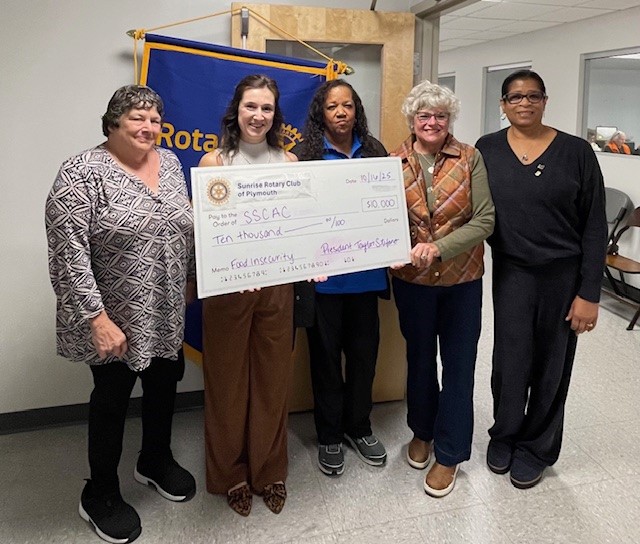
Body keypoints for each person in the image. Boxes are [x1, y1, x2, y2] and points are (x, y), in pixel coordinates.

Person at [45, 85, 196, 544]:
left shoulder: (170, 163)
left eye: (155, 119)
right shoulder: (81, 172)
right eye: (137, 118)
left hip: (166, 308)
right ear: (112, 123)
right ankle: (101, 494)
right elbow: (68, 253)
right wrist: (96, 319)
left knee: (164, 385)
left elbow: (185, 227)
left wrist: (190, 278)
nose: (148, 127)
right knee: (111, 401)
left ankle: (154, 460)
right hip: (114, 317)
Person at [475, 69, 607, 489]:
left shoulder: (576, 152)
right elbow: (473, 208)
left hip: (563, 276)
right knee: (510, 362)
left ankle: (536, 447)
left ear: (545, 101)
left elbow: (595, 226)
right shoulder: (487, 148)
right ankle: (505, 435)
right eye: (515, 97)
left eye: (533, 96)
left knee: (552, 364)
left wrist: (589, 293)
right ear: (503, 105)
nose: (525, 103)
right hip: (512, 272)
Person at [390, 81, 495, 498]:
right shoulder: (392, 162)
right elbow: (381, 218)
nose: (432, 122)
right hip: (412, 283)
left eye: (440, 116)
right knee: (418, 361)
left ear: (449, 120)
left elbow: (485, 220)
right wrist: (388, 249)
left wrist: (438, 248)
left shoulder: (470, 157)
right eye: (424, 115)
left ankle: (450, 453)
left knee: (458, 366)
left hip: (462, 282)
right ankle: (422, 431)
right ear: (412, 119)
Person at [199, 74, 297, 516]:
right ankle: (230, 475)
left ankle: (269, 470)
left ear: (276, 115)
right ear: (236, 111)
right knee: (227, 383)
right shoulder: (214, 163)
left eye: (267, 108)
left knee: (273, 380)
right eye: (251, 107)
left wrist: (312, 259)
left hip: (277, 286)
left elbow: (298, 225)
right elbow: (207, 232)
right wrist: (236, 266)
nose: (258, 116)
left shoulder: (289, 162)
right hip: (228, 288)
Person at [294, 80, 389, 477]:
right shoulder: (304, 154)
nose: (341, 112)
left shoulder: (375, 151)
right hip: (324, 283)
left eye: (347, 105)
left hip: (366, 280)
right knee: (326, 363)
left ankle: (359, 427)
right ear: (321, 112)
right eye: (332, 106)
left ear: (356, 110)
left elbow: (388, 207)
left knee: (365, 360)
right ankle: (330, 434)